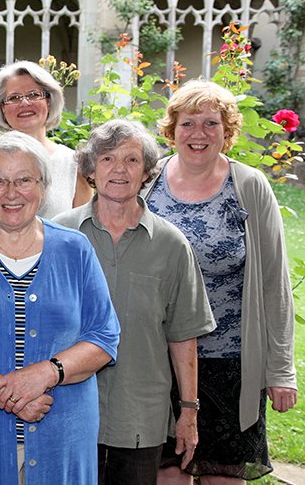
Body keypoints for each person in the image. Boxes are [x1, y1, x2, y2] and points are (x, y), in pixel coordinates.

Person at [0, 131, 121, 485]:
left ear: (43, 186)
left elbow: (104, 335)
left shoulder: (75, 249)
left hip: (62, 435)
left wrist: (44, 375)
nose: (11, 193)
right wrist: (13, 395)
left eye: (24, 180)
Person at [143, 79, 297, 484]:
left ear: (227, 132)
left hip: (230, 362)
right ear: (171, 129)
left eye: (211, 123)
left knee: (222, 478)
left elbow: (274, 286)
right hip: (157, 360)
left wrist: (281, 371)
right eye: (188, 122)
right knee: (166, 476)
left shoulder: (248, 187)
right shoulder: (147, 183)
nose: (198, 134)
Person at [54, 119, 215, 485]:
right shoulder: (58, 236)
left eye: (131, 160)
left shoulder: (171, 245)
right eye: (108, 159)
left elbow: (183, 334)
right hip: (67, 407)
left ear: (146, 172)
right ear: (91, 170)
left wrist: (188, 412)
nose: (119, 170)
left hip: (141, 413)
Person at [0, 60, 93, 217]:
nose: (24, 103)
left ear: (49, 102)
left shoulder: (74, 165)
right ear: (2, 108)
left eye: (33, 95)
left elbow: (82, 231)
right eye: (14, 97)